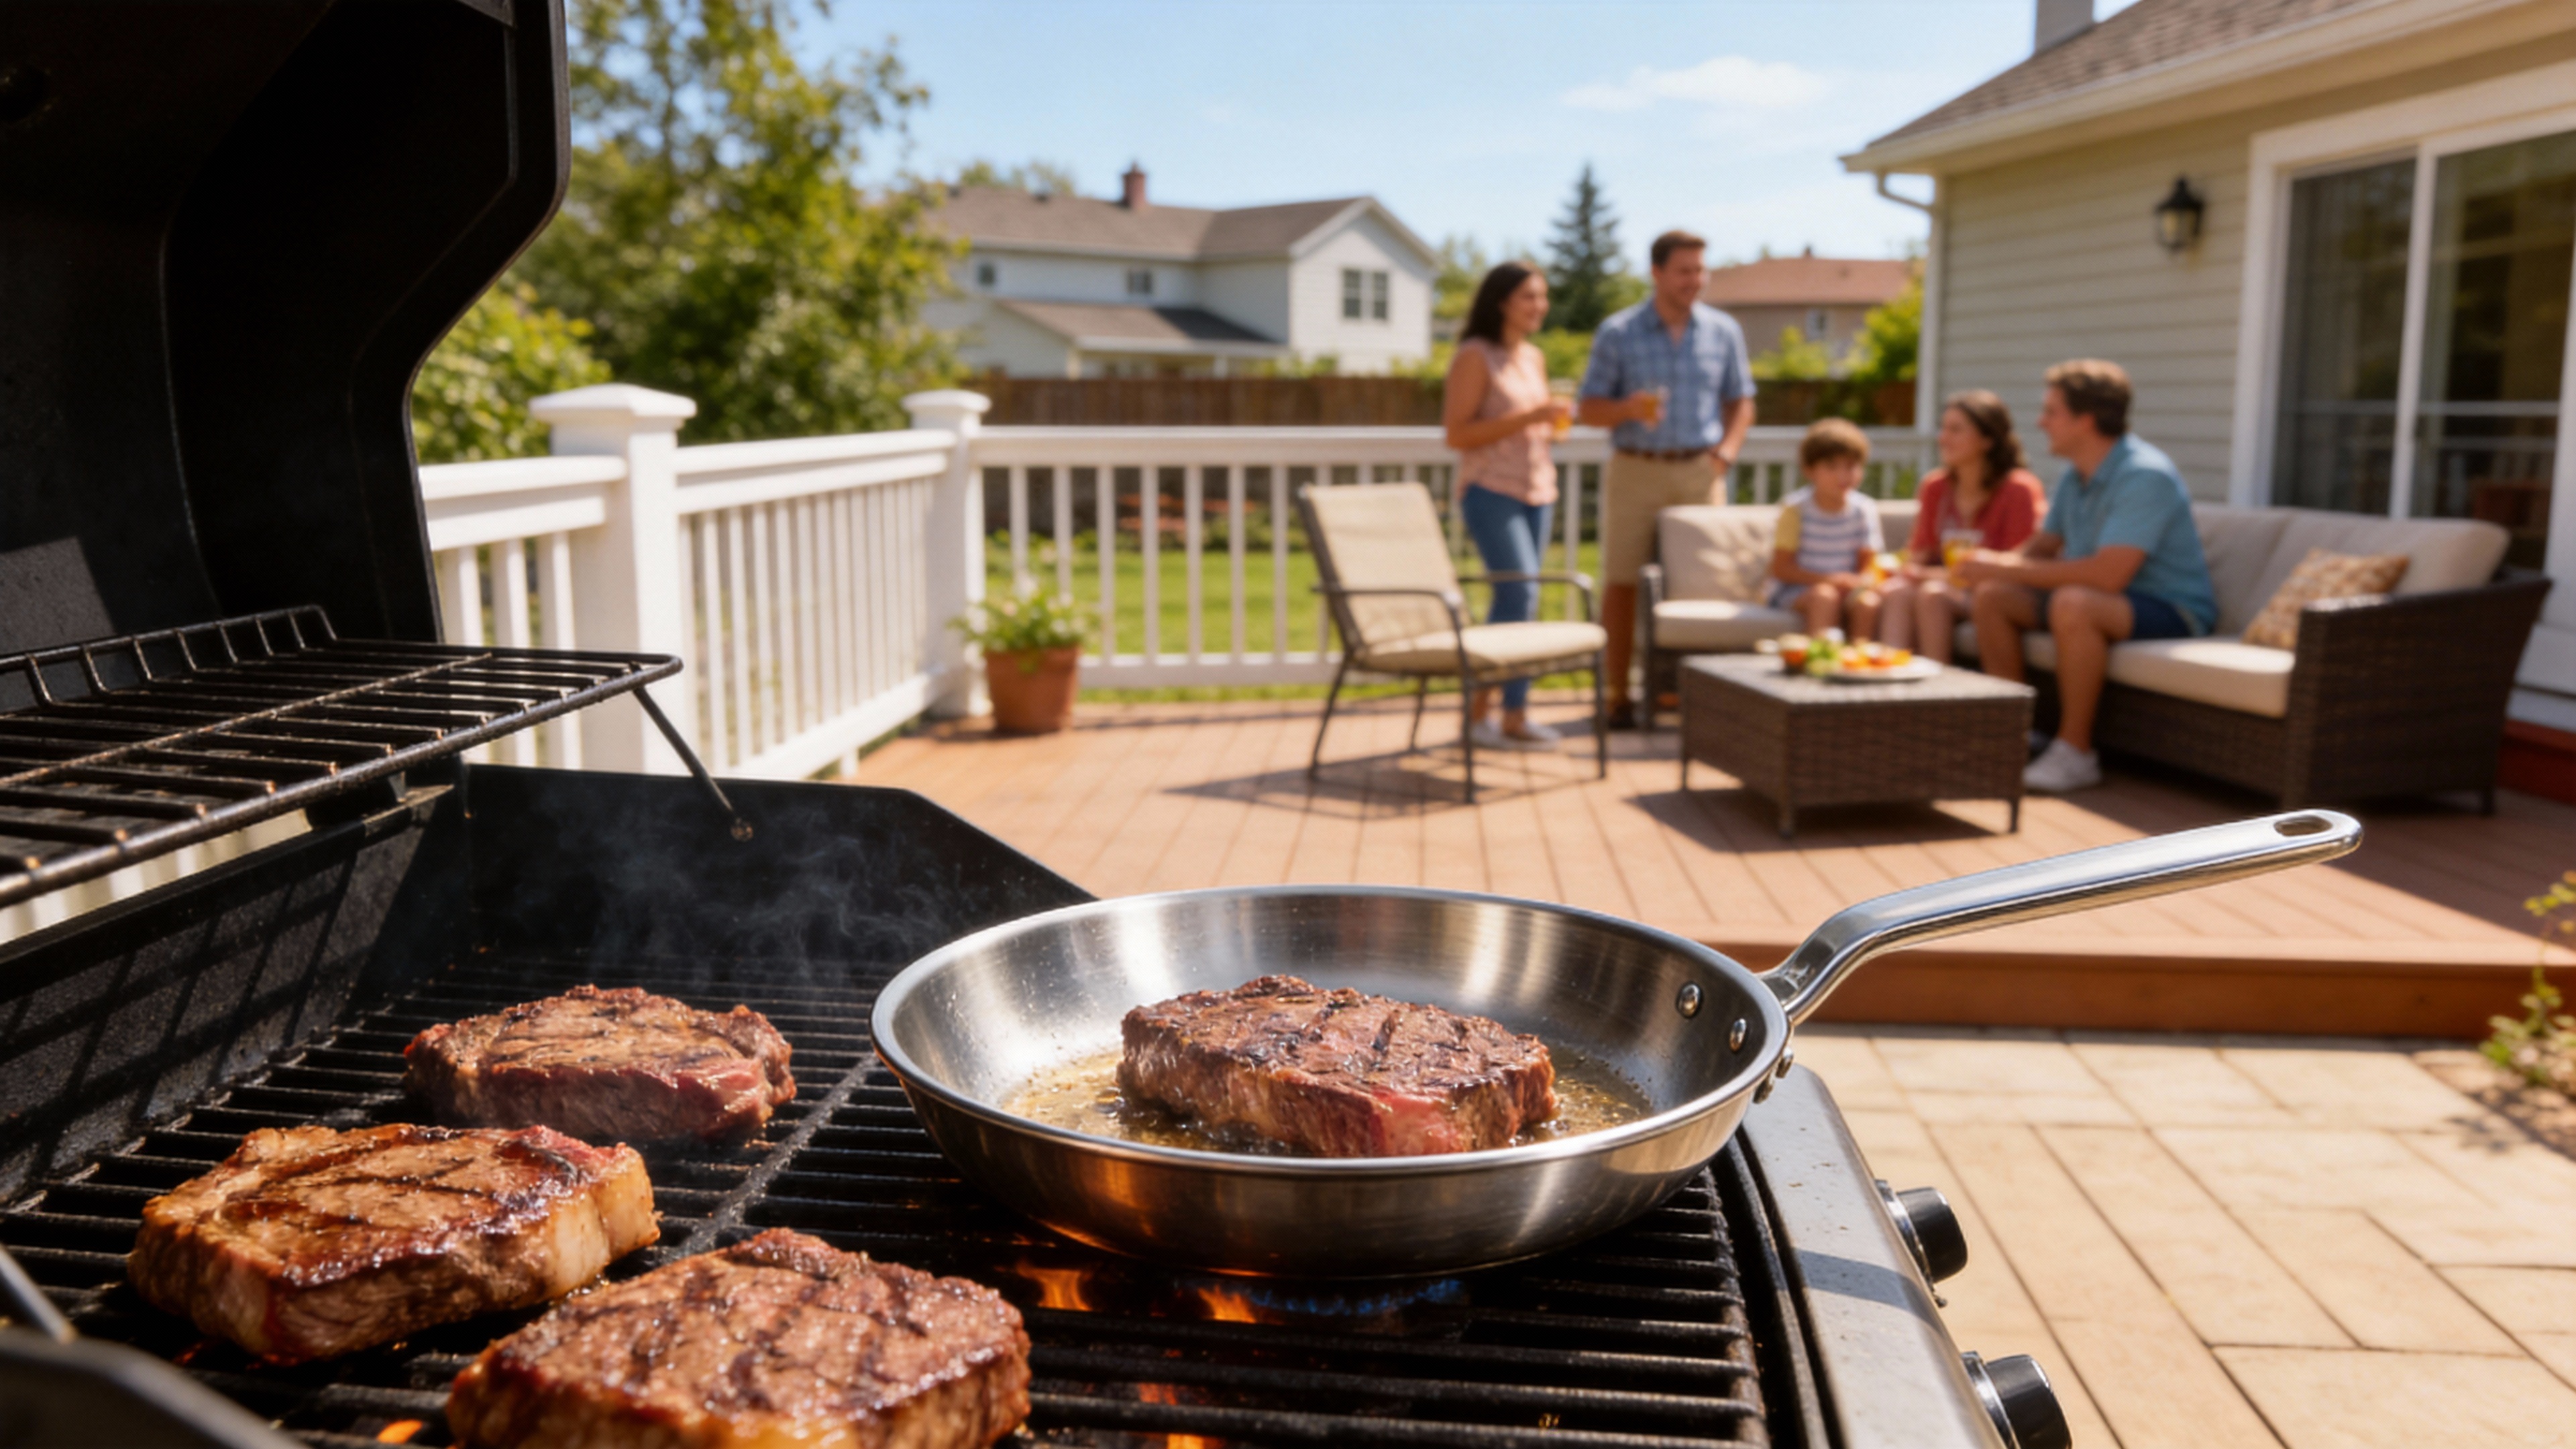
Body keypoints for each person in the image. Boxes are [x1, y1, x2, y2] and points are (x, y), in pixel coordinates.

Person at [1956, 360, 2218, 793]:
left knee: (2074, 601)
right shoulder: (2075, 476)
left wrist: (2004, 566)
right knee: (1994, 595)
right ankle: (2012, 737)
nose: (2041, 423)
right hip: (2105, 600)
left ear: (2086, 420)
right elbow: (2041, 547)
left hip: (2170, 609)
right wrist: (1992, 569)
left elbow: (2107, 576)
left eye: (2051, 412)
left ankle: (2075, 753)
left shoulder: (2144, 475)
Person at [1576, 229, 1756, 729]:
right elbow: (1588, 409)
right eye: (1684, 271)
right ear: (1656, 273)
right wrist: (1626, 408)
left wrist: (1727, 451)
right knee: (1622, 582)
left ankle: (1694, 696)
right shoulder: (1619, 332)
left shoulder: (1723, 331)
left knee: (1704, 584)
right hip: (1637, 468)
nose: (1694, 280)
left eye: (1700, 270)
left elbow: (1741, 399)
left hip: (1701, 470)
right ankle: (1617, 695)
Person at [1442, 262, 1574, 749]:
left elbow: (1529, 425)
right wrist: (1531, 416)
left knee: (1525, 599)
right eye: (1529, 297)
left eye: (1542, 297)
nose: (1539, 306)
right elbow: (1457, 434)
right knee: (1517, 596)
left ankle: (1515, 716)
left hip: (1539, 490)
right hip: (1490, 491)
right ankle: (1478, 716)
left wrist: (1551, 424)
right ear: (1501, 301)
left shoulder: (1534, 358)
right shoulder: (1475, 356)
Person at [1876, 391, 2046, 662]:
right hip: (1947, 585)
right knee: (1897, 592)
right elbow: (1919, 551)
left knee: (1933, 595)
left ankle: (1940, 695)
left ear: (1988, 439)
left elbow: (2016, 567)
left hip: (1992, 594)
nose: (1943, 438)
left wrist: (1931, 576)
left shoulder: (2019, 490)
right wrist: (1897, 571)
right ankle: (1887, 689)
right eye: (1943, 429)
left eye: (1956, 430)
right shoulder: (1935, 487)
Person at [1766, 419, 1885, 639]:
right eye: (1831, 467)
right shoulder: (1794, 509)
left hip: (1845, 590)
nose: (1842, 476)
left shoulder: (1864, 509)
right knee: (1825, 597)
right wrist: (1829, 580)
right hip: (1797, 591)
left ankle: (1857, 665)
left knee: (1867, 603)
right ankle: (1820, 665)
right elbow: (1781, 568)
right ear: (1810, 470)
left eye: (1850, 466)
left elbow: (1868, 566)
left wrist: (1860, 583)